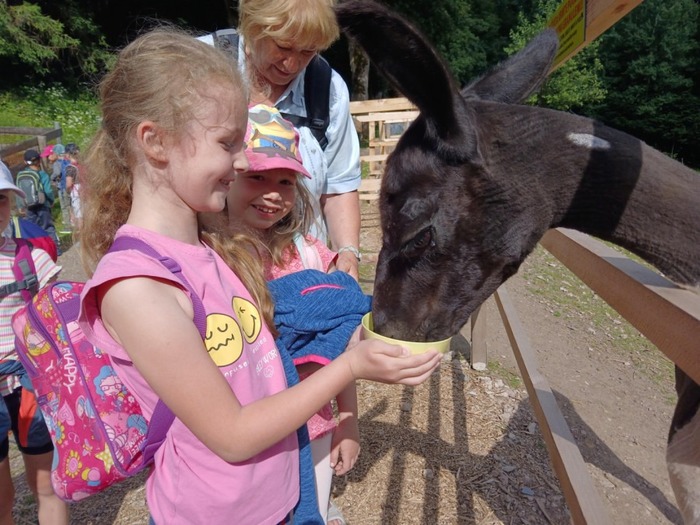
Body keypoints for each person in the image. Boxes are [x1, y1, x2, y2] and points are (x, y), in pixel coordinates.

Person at [77, 28, 441, 525]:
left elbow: (270, 356)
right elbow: (233, 435)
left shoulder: (214, 248)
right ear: (155, 142)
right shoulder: (138, 287)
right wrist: (351, 367)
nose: (244, 159)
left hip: (275, 495)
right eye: (227, 143)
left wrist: (375, 340)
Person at [226, 104, 355, 524]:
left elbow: (340, 340)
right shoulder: (206, 257)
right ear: (227, 175)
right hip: (243, 436)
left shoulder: (309, 255)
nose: (272, 193)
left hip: (312, 426)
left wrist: (348, 419)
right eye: (257, 176)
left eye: (285, 181)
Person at [199, 0, 363, 280]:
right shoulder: (199, 65)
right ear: (253, 26)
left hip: (302, 273)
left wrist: (348, 252)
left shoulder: (327, 88)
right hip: (211, 270)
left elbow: (339, 185)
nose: (293, 64)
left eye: (308, 51)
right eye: (283, 47)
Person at [0, 160, 68, 525]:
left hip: (29, 382)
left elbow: (58, 317)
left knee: (47, 485)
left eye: (1, 199)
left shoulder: (31, 258)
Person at [18, 150, 59, 250]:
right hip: (43, 205)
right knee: (48, 227)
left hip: (29, 206)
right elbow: (48, 191)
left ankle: (36, 249)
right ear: (39, 160)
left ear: (25, 162)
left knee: (32, 229)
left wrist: (20, 206)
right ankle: (55, 249)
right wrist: (51, 201)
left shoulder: (20, 175)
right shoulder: (43, 175)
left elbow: (18, 191)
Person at [40, 144, 71, 233]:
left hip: (62, 187)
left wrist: (51, 178)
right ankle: (73, 221)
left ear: (55, 154)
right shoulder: (67, 161)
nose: (48, 158)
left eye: (48, 156)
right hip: (68, 186)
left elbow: (57, 172)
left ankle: (67, 225)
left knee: (64, 206)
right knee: (70, 204)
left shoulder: (57, 163)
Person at [63, 143, 82, 233]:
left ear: (68, 155)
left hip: (76, 192)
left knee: (79, 215)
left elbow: (69, 184)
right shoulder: (82, 165)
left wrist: (67, 191)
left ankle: (81, 234)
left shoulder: (70, 168)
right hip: (86, 190)